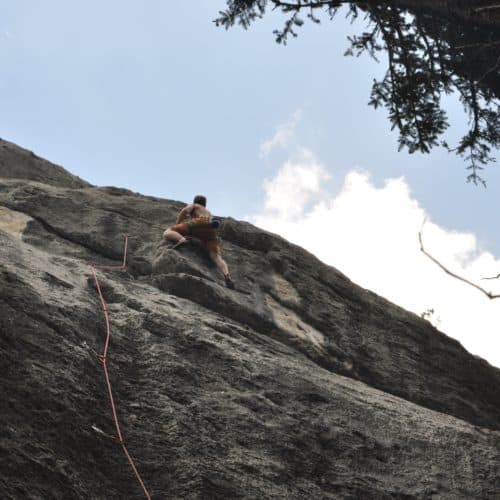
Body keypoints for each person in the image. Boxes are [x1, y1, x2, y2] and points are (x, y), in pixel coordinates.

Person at [163, 195, 235, 289]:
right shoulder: (208, 212)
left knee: (167, 232)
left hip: (198, 223)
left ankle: (182, 239)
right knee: (216, 257)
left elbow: (185, 211)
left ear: (195, 201)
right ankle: (227, 275)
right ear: (205, 204)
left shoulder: (195, 205)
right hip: (211, 230)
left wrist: (178, 225)